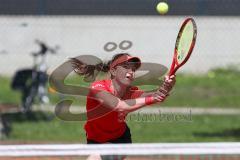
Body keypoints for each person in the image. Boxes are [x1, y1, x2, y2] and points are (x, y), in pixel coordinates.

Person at [71, 53, 176, 160]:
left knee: (95, 158)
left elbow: (155, 95)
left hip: (120, 139)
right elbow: (119, 106)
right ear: (113, 71)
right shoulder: (98, 88)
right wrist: (153, 98)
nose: (130, 72)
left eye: (133, 69)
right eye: (125, 67)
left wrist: (167, 86)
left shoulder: (129, 92)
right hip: (95, 140)